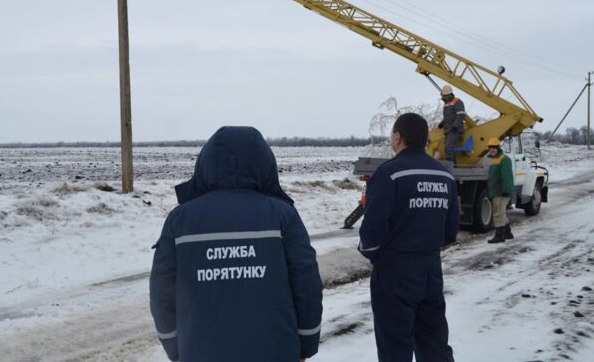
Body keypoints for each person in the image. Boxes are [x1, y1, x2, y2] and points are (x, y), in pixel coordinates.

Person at [149, 126, 323, 362]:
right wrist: (306, 342)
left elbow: (162, 292)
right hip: (276, 351)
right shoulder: (283, 216)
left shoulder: (180, 220)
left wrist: (175, 347)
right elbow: (306, 283)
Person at [359, 113, 459, 362]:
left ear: (397, 137)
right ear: (426, 139)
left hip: (394, 271)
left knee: (395, 347)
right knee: (434, 344)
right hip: (431, 270)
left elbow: (371, 231)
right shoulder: (444, 175)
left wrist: (374, 255)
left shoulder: (389, 173)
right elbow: (450, 231)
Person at [486, 138, 515, 244]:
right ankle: (508, 233)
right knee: (501, 212)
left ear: (498, 148)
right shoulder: (494, 160)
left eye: (494, 147)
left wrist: (506, 190)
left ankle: (499, 236)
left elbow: (507, 176)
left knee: (498, 213)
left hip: (501, 192)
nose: (492, 150)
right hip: (496, 191)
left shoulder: (504, 159)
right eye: (490, 148)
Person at [437, 85, 466, 164]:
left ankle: (450, 168)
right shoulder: (447, 104)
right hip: (448, 130)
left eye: (445, 96)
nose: (444, 97)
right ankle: (453, 166)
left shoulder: (457, 102)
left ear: (449, 94)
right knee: (448, 149)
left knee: (449, 148)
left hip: (455, 130)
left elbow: (461, 114)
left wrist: (455, 126)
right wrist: (442, 123)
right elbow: (448, 117)